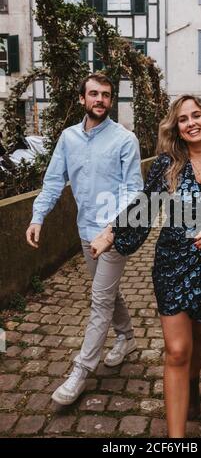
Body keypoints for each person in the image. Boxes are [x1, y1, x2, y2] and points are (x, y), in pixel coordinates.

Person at [91, 95, 201, 438]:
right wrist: (110, 234)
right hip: (172, 263)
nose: (191, 122)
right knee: (178, 350)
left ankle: (193, 382)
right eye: (183, 119)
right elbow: (144, 207)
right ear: (176, 128)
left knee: (200, 335)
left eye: (197, 115)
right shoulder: (168, 164)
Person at [26, 74, 143, 405]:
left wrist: (112, 231)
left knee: (100, 300)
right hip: (84, 230)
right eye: (94, 94)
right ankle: (127, 337)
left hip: (113, 235)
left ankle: (80, 370)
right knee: (108, 291)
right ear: (82, 99)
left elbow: (134, 191)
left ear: (111, 100)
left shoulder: (124, 139)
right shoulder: (68, 138)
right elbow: (52, 181)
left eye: (106, 95)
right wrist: (38, 217)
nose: (101, 100)